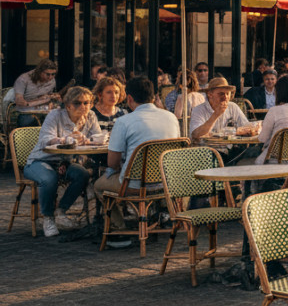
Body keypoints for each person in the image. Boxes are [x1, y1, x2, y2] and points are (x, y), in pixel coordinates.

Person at [98, 77, 180, 247]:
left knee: (98, 185)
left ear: (129, 99)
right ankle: (154, 217)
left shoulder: (123, 121)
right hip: (167, 184)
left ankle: (119, 230)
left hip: (135, 186)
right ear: (154, 96)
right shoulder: (171, 117)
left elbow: (112, 163)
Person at [24, 86, 100, 237]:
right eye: (78, 103)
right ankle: (48, 218)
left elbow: (97, 137)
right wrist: (66, 139)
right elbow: (45, 140)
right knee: (49, 178)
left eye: (87, 102)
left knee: (83, 175)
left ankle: (61, 211)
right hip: (40, 160)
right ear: (68, 105)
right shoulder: (55, 115)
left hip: (64, 162)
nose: (83, 106)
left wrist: (87, 140)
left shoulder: (90, 116)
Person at [13, 59, 59, 126]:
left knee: (57, 119)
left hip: (43, 110)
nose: (50, 77)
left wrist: (53, 98)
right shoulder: (24, 79)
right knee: (26, 122)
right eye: (48, 74)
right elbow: (19, 101)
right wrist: (39, 101)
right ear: (39, 71)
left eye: (53, 74)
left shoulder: (52, 81)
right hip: (26, 111)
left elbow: (48, 97)